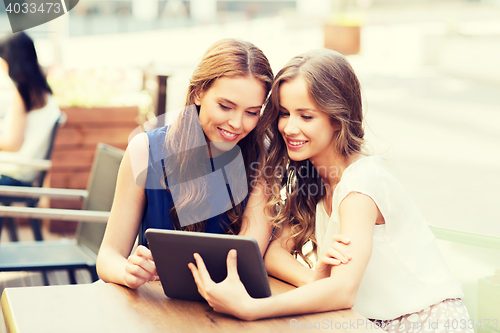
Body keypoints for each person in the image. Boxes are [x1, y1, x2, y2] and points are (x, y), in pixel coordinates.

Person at [189, 49, 473, 332]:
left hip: (426, 323)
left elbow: (342, 291)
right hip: (366, 323)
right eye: (285, 113)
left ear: (337, 119)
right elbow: (274, 254)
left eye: (306, 116)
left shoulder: (360, 185)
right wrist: (317, 283)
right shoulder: (314, 177)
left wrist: (250, 308)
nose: (289, 127)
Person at [96, 38, 274, 290]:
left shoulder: (262, 160)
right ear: (198, 92)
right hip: (152, 305)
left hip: (222, 306)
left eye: (252, 112)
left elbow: (246, 260)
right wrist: (128, 271)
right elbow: (108, 256)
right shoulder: (144, 151)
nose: (237, 123)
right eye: (225, 106)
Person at [0, 32, 60, 186]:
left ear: (10, 60)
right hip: (23, 173)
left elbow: (13, 144)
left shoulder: (24, 92)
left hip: (13, 175)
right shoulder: (42, 91)